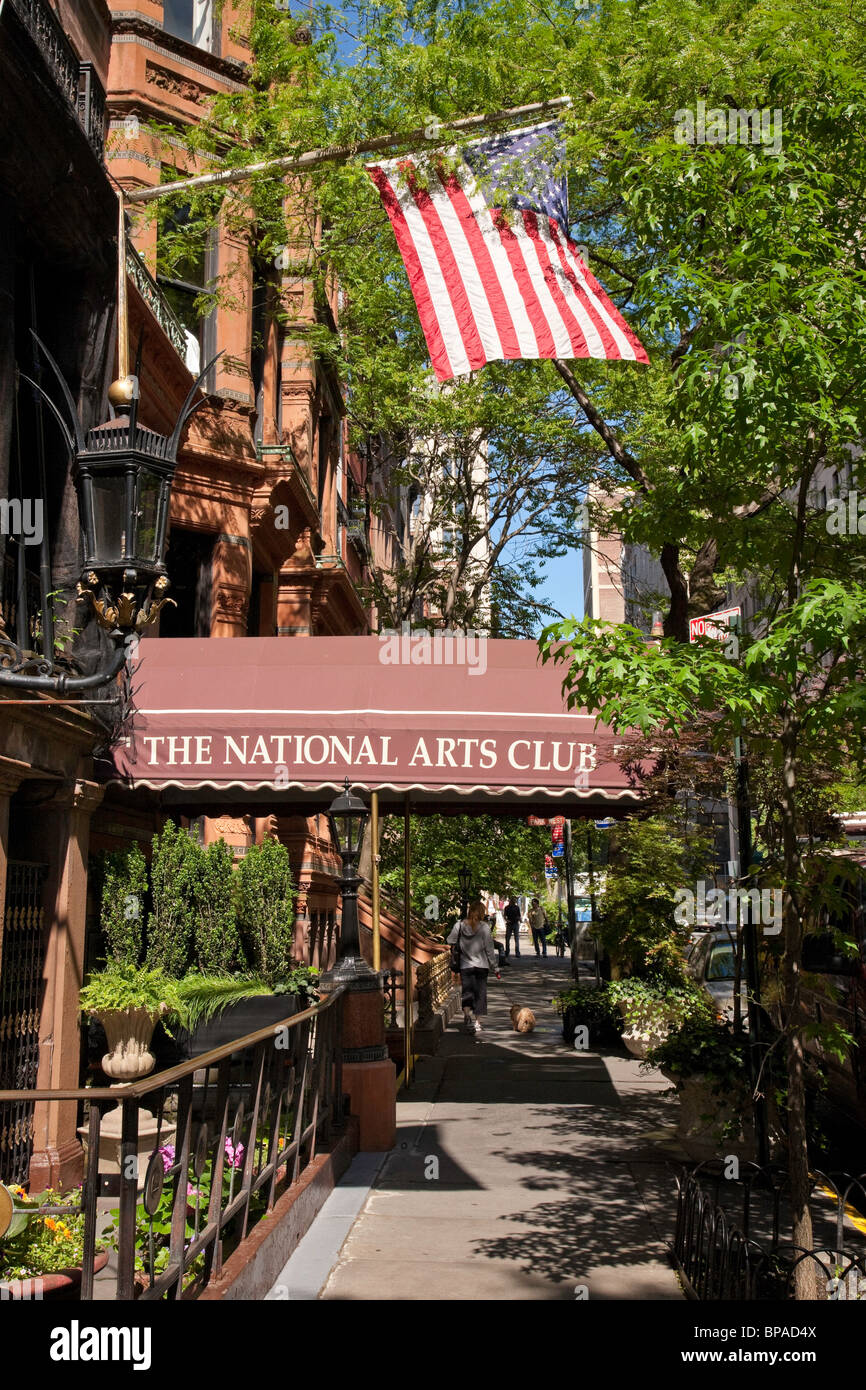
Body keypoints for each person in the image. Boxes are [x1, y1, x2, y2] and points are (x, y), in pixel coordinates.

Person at [447, 899, 500, 1033]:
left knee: (467, 992)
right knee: (480, 993)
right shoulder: (485, 928)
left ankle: (466, 1015)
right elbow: (489, 948)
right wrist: (495, 967)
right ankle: (477, 1022)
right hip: (482, 966)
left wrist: (461, 944)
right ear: (482, 913)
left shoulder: (459, 925)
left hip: (465, 965)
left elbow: (450, 940)